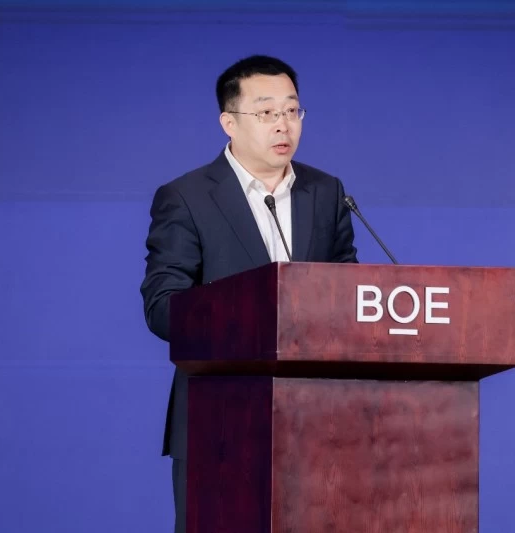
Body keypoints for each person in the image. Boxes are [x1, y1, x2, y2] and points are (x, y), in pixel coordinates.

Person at [139, 54, 359, 533]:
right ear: (229, 123)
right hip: (219, 419)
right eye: (266, 112)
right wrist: (249, 314)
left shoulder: (327, 192)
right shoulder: (187, 197)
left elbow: (350, 293)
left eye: (292, 110)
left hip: (320, 420)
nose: (283, 124)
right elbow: (163, 307)